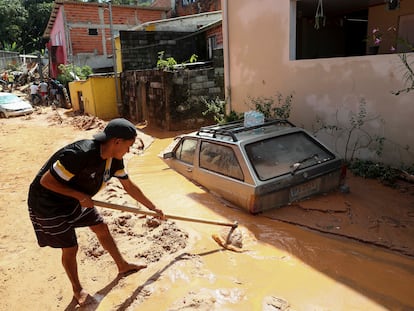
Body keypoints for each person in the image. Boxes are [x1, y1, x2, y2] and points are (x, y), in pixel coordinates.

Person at [27, 118, 165, 306]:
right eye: (128, 146)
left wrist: (152, 208)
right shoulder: (79, 154)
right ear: (116, 142)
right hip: (48, 204)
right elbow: (46, 182)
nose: (129, 150)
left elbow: (129, 186)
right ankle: (77, 290)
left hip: (77, 198)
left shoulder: (114, 160)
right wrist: (79, 195)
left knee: (101, 227)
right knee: (70, 247)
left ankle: (122, 266)